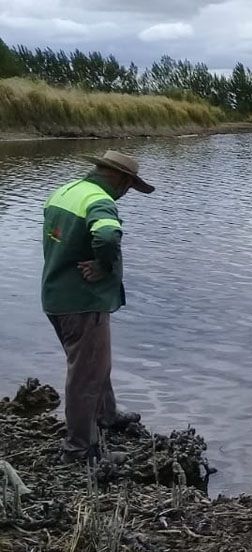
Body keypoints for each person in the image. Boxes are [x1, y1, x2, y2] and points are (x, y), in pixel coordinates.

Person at [41, 150, 154, 463]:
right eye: (129, 186)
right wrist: (104, 267)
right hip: (82, 302)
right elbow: (106, 236)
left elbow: (58, 239)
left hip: (56, 295)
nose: (126, 193)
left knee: (95, 364)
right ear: (119, 178)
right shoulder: (100, 201)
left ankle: (107, 414)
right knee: (85, 376)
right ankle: (80, 449)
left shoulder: (65, 192)